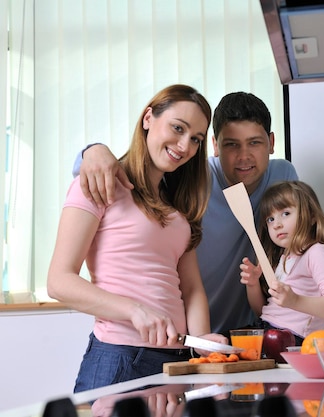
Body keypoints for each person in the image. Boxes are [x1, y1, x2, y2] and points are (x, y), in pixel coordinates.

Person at [47, 84, 227, 393]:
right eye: (177, 128)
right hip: (121, 359)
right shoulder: (97, 185)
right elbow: (58, 281)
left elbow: (192, 287)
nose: (185, 146)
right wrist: (135, 310)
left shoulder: (177, 209)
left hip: (178, 363)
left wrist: (201, 342)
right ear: (148, 118)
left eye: (195, 139)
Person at [73, 92, 299, 335]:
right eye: (231, 144)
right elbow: (127, 175)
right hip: (184, 331)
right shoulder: (192, 177)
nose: (244, 156)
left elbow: (299, 245)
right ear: (214, 145)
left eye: (254, 142)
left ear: (272, 142)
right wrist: (91, 151)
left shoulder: (283, 177)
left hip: (248, 328)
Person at [239, 181, 324, 343]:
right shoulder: (283, 259)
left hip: (291, 338)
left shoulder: (317, 253)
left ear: (312, 216)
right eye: (270, 219)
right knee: (217, 346)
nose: (276, 224)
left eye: (285, 213)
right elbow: (263, 311)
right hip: (267, 328)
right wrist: (253, 284)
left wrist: (295, 301)